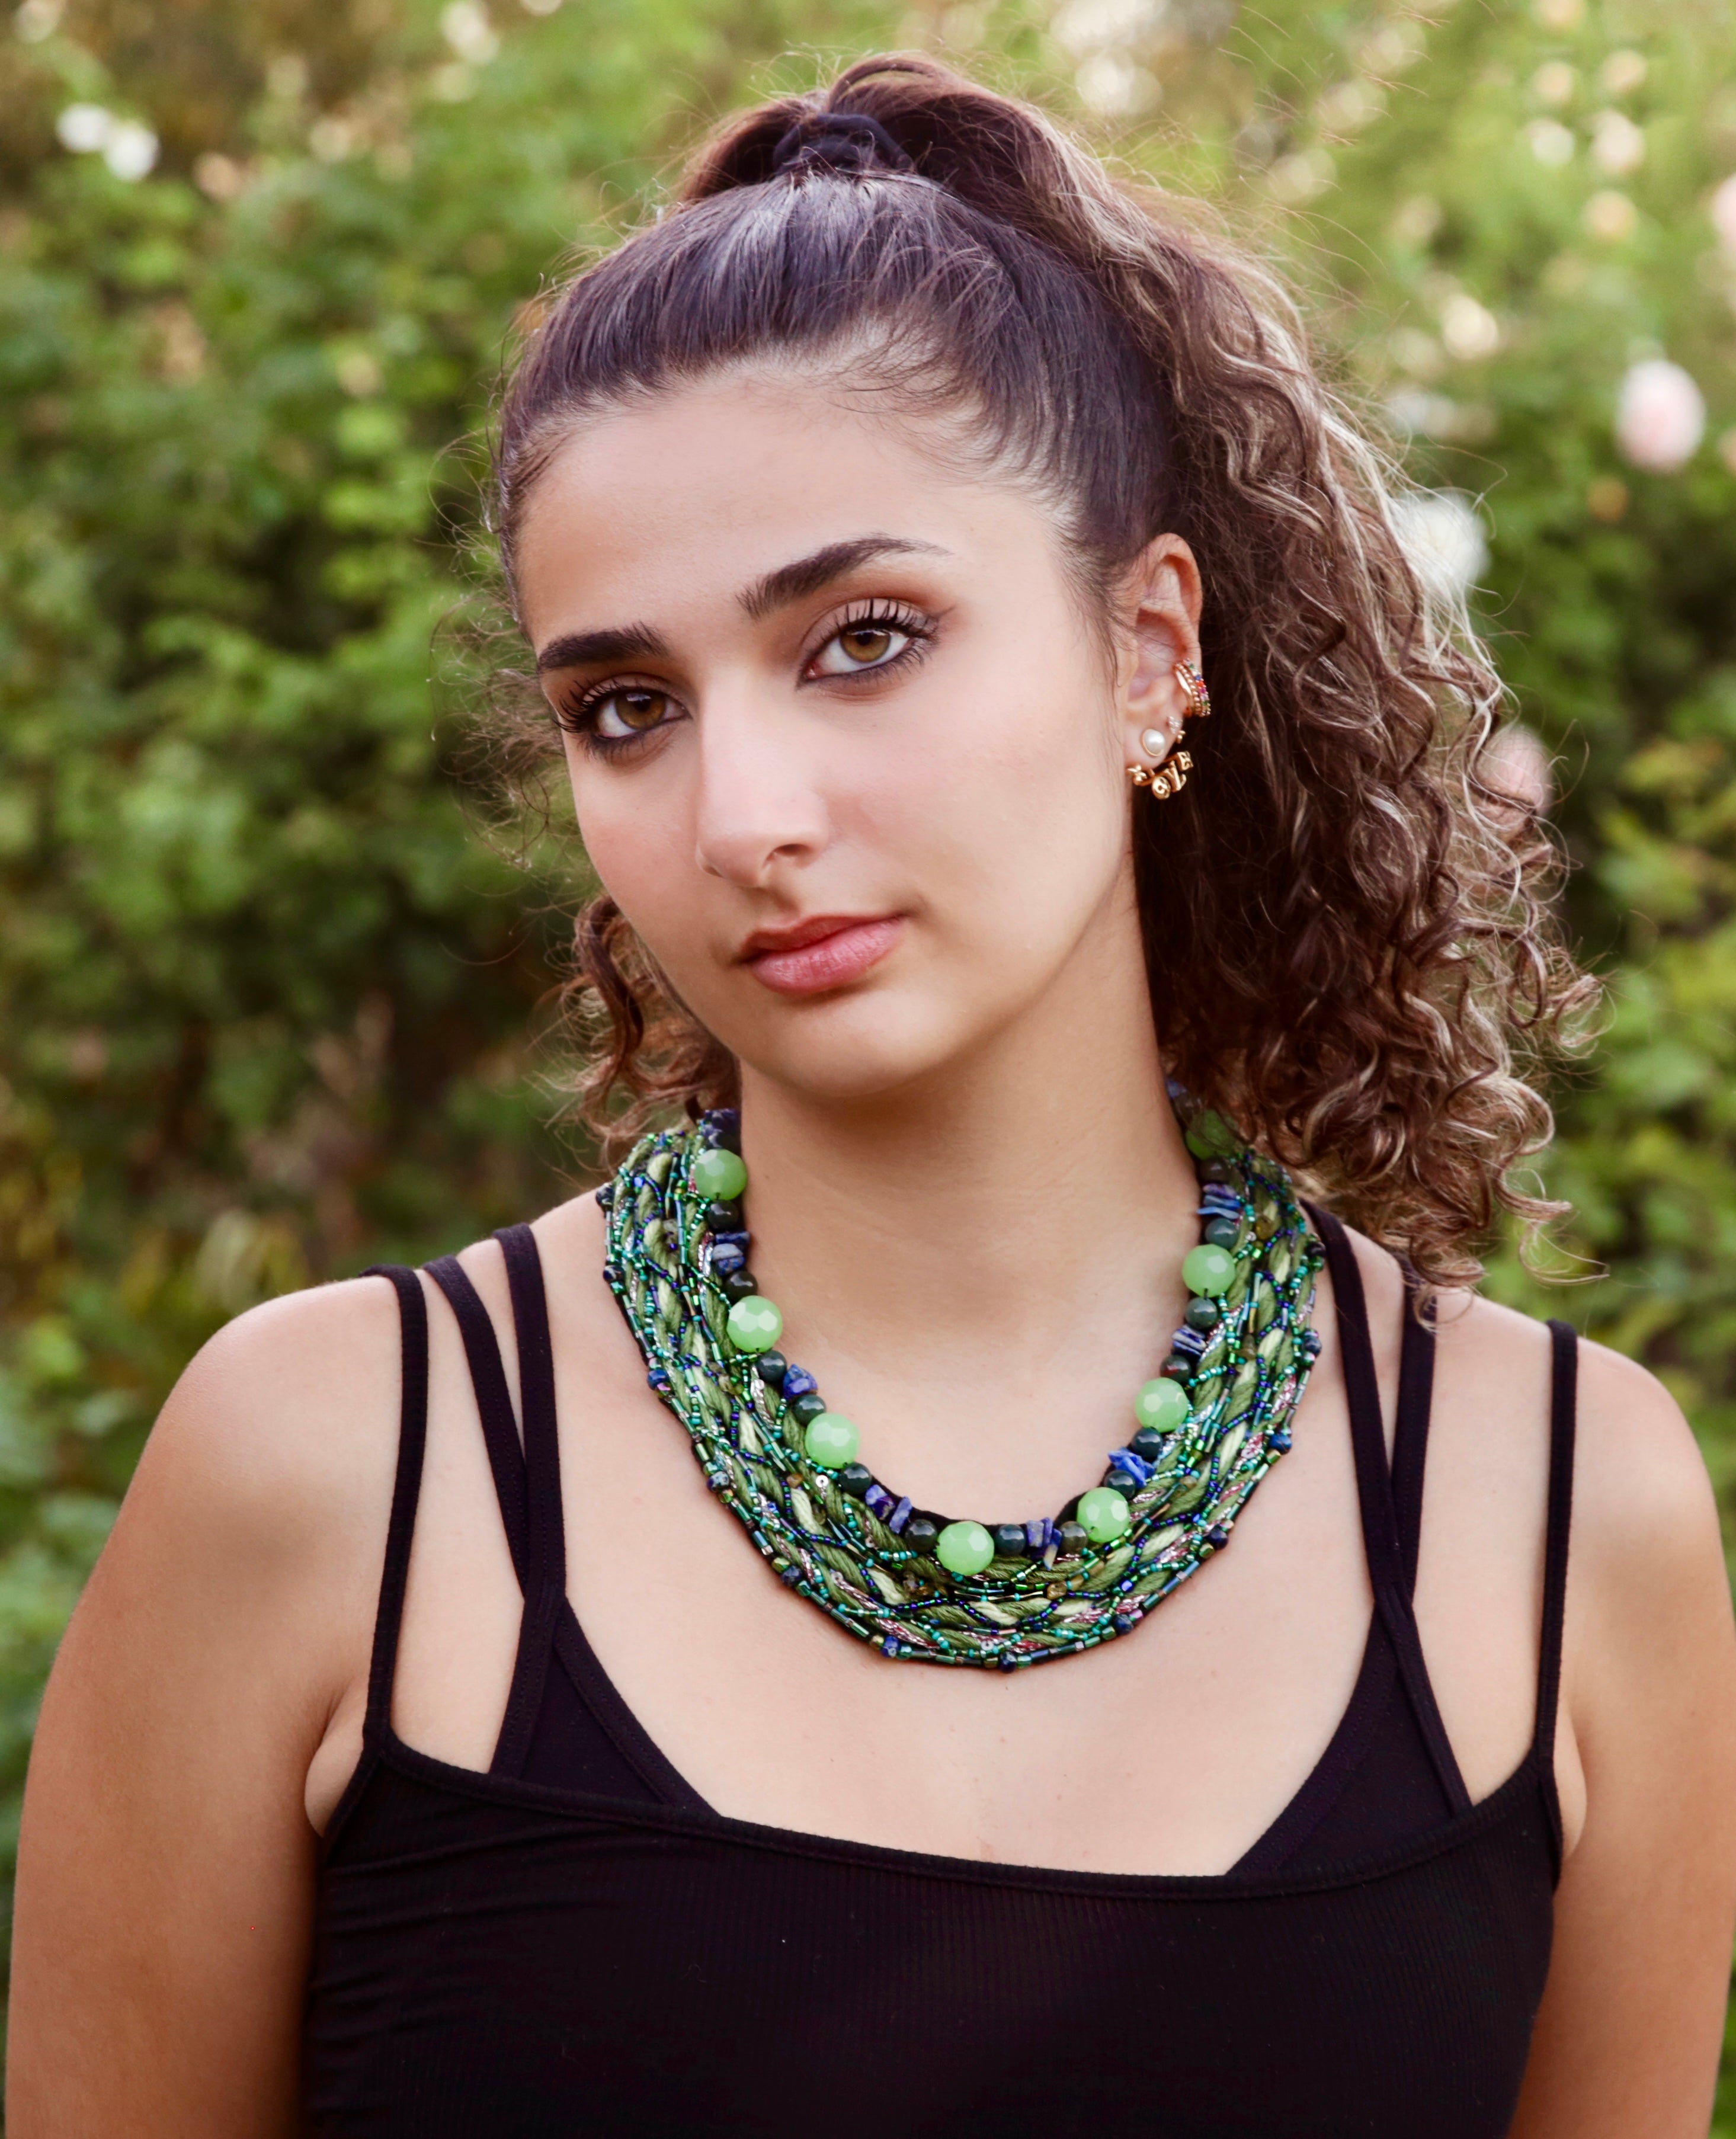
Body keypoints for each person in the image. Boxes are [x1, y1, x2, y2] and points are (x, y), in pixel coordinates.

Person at [10, 53, 1735, 2139]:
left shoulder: (1563, 1518)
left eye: (863, 639)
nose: (741, 814)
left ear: (1145, 648)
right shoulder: (324, 1475)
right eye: (627, 706)